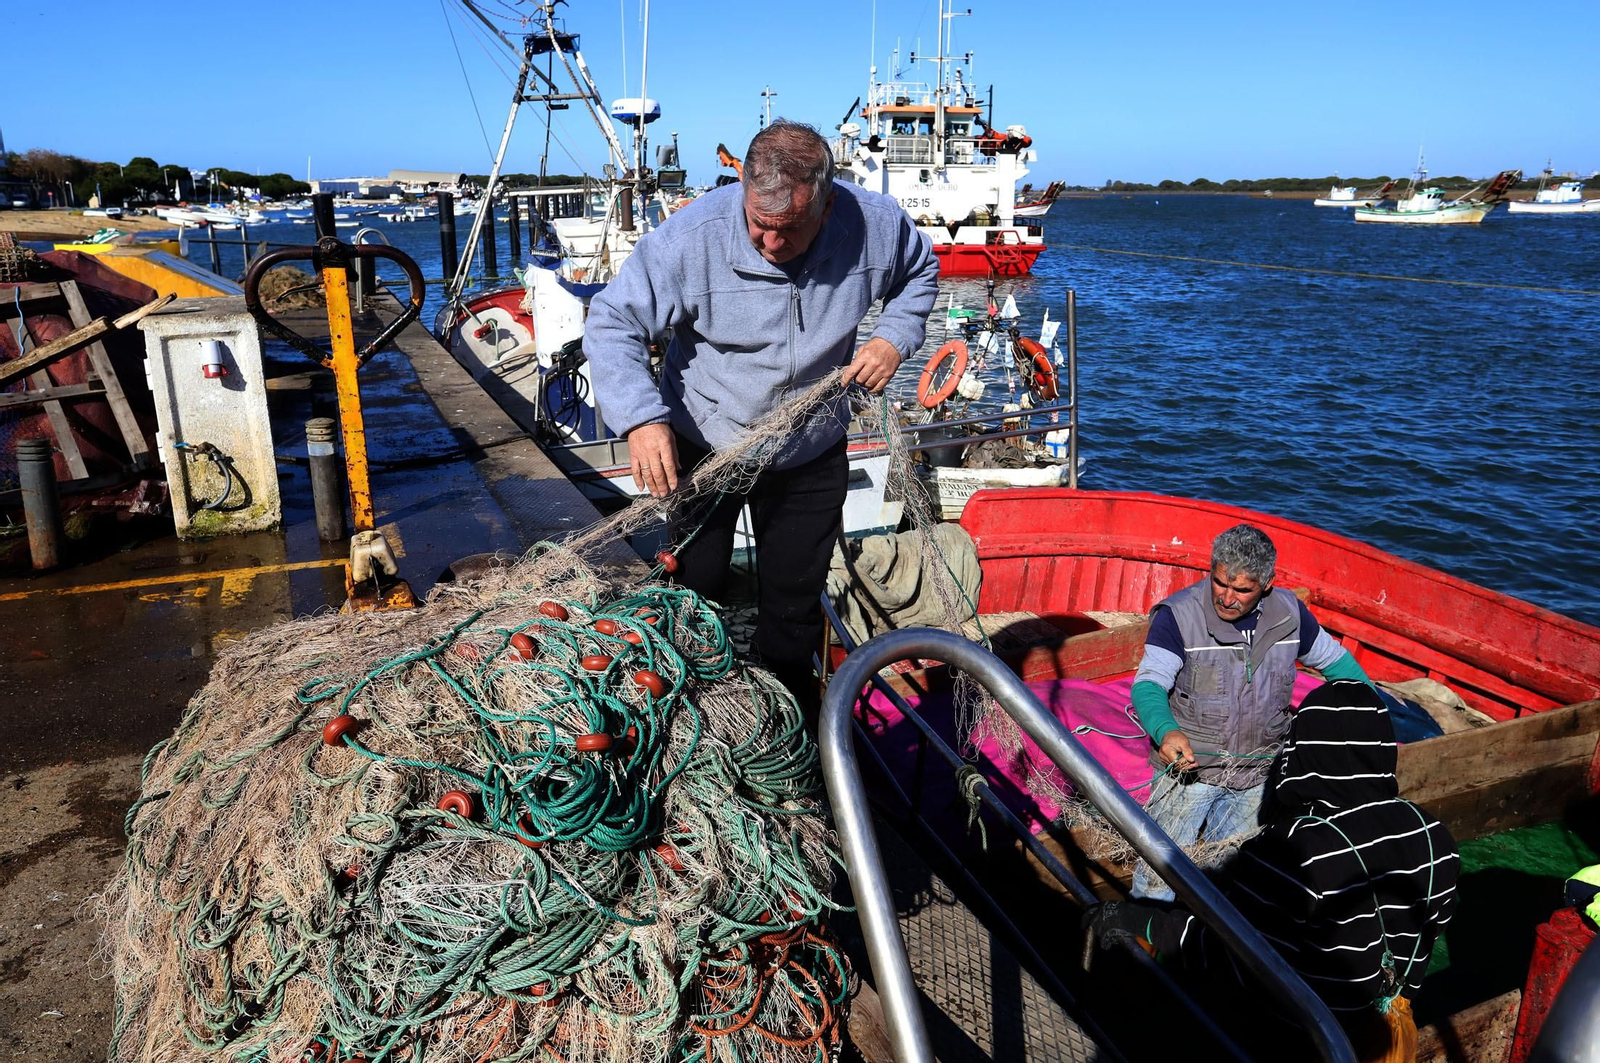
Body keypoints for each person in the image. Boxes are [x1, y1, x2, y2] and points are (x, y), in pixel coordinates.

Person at [583, 119, 939, 705]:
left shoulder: (876, 225)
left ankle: (785, 727)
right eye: (758, 225)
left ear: (827, 207)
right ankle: (692, 714)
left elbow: (920, 272)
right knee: (692, 594)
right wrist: (643, 420)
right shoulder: (688, 240)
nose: (770, 244)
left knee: (793, 608)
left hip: (810, 446)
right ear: (744, 192)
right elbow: (613, 320)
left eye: (789, 230)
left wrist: (893, 338)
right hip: (706, 442)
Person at [1088, 680, 1460, 1062]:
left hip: (1298, 1040)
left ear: (1306, 749)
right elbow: (1424, 940)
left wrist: (1142, 920)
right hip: (1382, 1031)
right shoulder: (1433, 834)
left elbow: (1233, 954)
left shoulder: (1295, 848)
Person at [1129, 523, 1373, 900]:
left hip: (1258, 777)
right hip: (1189, 777)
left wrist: (1372, 717)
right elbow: (1149, 684)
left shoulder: (1291, 614)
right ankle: (1144, 951)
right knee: (1157, 880)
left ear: (1267, 584)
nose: (1227, 598)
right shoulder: (1177, 616)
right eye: (1220, 583)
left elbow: (1340, 667)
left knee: (1230, 879)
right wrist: (1166, 731)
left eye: (1242, 590)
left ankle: (1203, 948)